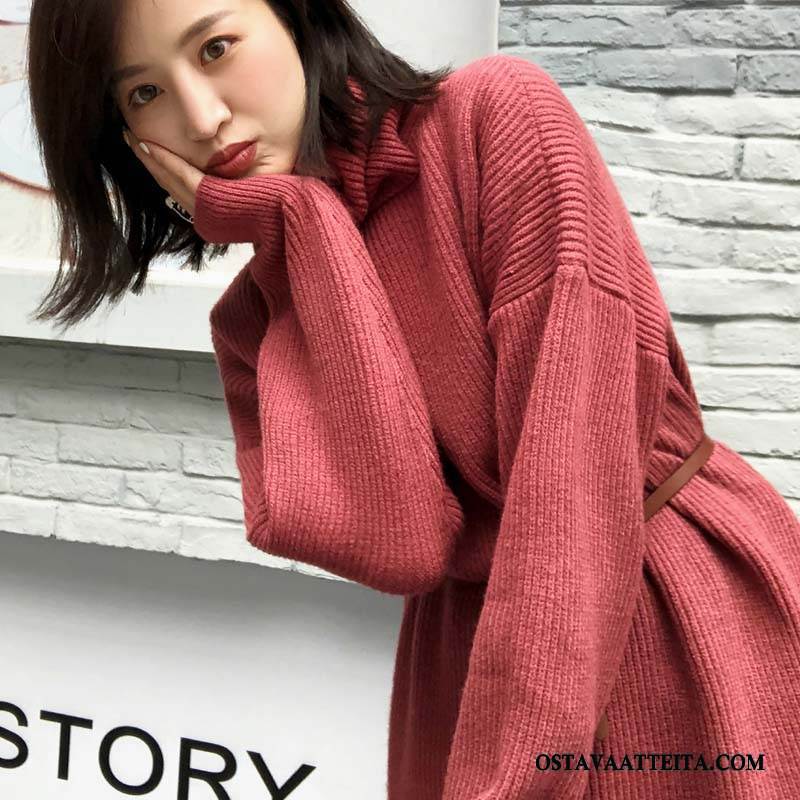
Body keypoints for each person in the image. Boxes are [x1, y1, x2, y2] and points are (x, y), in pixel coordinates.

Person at [26, 0, 800, 797]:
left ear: (296, 17)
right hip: (464, 651)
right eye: (144, 93)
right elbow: (406, 544)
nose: (202, 116)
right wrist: (303, 221)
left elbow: (573, 481)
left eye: (216, 48)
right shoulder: (256, 321)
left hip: (663, 604)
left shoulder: (492, 119)